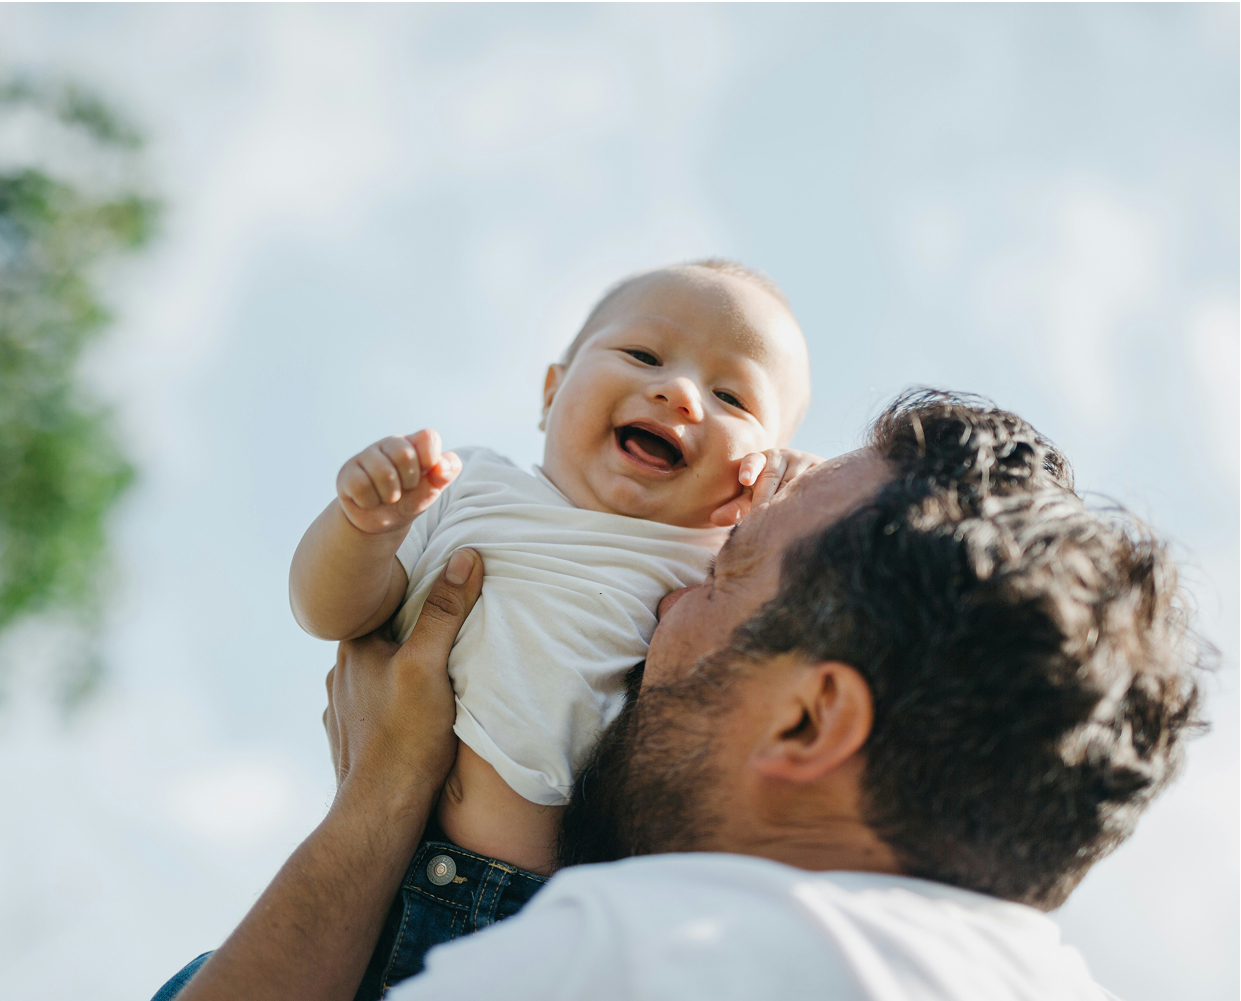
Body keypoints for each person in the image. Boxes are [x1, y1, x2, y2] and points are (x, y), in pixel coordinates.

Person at [163, 390, 1204, 1001]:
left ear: (808, 718)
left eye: (723, 573)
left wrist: (381, 799)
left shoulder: (645, 953)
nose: (662, 608)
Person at [287, 260, 819, 989]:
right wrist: (363, 527)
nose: (678, 392)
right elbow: (332, 613)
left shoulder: (706, 573)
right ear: (550, 391)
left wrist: (797, 515)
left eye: (731, 396)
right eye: (642, 355)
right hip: (370, 892)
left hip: (545, 936)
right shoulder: (468, 484)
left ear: (753, 476)